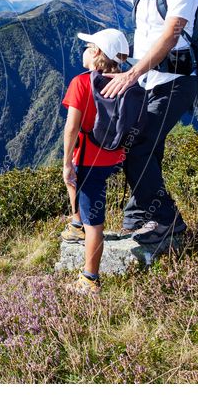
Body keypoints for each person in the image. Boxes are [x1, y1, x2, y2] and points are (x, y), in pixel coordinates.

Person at [21, 0, 198, 244]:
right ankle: (138, 217)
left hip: (175, 81)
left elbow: (171, 35)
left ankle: (167, 221)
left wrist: (131, 73)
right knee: (142, 146)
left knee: (138, 148)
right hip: (147, 81)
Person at [62, 29, 129, 294]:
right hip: (115, 155)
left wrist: (66, 161)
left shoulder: (81, 82)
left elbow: (71, 127)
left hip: (88, 157)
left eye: (89, 46)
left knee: (95, 222)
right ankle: (77, 223)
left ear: (98, 53)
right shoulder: (126, 81)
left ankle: (90, 279)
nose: (85, 50)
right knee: (78, 185)